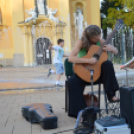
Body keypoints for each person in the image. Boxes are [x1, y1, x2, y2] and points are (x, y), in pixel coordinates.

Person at [68, 25, 119, 118]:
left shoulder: (101, 42)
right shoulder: (81, 42)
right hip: (84, 74)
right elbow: (71, 58)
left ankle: (111, 96)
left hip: (98, 75)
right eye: (96, 38)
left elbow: (116, 52)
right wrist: (88, 60)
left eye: (99, 36)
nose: (98, 39)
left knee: (108, 64)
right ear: (89, 37)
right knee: (72, 81)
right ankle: (81, 113)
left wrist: (113, 49)